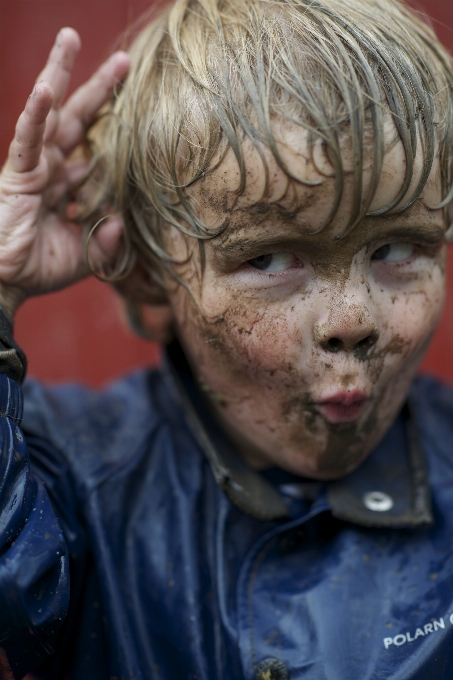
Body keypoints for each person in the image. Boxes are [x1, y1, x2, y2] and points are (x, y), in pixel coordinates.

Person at [0, 0, 453, 677]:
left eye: (397, 247)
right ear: (151, 278)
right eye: (270, 261)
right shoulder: (67, 471)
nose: (352, 320)